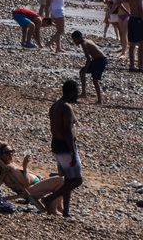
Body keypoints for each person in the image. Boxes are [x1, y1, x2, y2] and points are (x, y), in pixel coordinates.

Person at [45, 79, 83, 216]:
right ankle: (49, 198)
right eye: (77, 92)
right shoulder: (66, 107)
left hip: (56, 145)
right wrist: (72, 152)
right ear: (71, 92)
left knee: (68, 179)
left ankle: (66, 211)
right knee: (77, 180)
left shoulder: (55, 105)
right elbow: (67, 130)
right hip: (65, 147)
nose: (78, 95)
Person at [0, 142, 66, 213]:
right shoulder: (10, 168)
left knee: (61, 182)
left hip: (35, 185)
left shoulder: (12, 164)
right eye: (7, 153)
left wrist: (38, 177)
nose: (11, 154)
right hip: (29, 190)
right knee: (60, 180)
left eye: (12, 151)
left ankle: (59, 207)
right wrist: (25, 166)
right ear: (1, 156)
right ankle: (52, 208)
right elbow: (26, 182)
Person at [71, 31, 106, 105]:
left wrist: (86, 69)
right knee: (81, 72)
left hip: (100, 61)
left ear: (79, 38)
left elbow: (88, 59)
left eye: (74, 40)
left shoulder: (84, 44)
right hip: (97, 60)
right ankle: (83, 93)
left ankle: (100, 100)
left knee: (95, 80)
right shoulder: (86, 40)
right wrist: (84, 70)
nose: (74, 42)